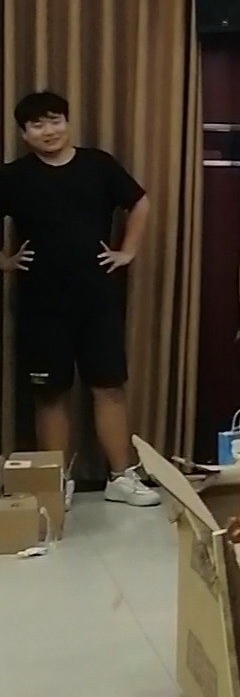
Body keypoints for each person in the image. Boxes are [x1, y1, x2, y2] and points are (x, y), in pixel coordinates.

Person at [0, 91, 160, 508]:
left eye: (55, 120)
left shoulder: (98, 165)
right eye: (37, 125)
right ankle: (57, 480)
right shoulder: (14, 176)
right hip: (41, 303)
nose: (48, 131)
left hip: (98, 299)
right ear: (24, 134)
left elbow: (139, 202)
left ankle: (121, 477)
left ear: (68, 122)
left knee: (109, 387)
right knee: (50, 394)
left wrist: (127, 251)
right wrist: (5, 261)